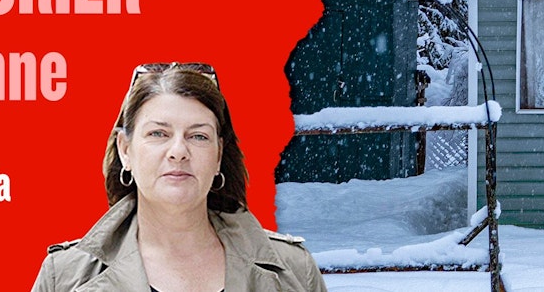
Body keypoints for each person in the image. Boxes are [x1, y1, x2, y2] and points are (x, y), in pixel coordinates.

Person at [33, 63, 326, 292]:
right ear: (125, 151)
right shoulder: (65, 276)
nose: (178, 151)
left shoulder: (294, 271)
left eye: (198, 136)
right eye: (158, 133)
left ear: (218, 155)